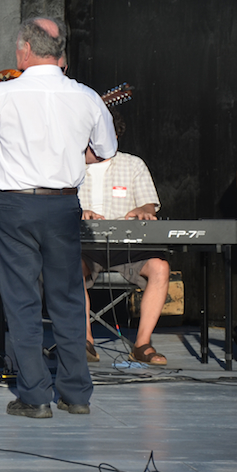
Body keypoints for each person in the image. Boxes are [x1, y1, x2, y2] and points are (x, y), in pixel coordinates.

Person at [0, 17, 117, 418]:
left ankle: (36, 395)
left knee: (22, 302)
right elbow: (106, 149)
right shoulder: (86, 96)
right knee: (68, 299)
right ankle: (76, 394)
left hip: (17, 204)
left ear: (25, 47)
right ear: (60, 51)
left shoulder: (3, 95)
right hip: (63, 204)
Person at [79, 114, 170, 365]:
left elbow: (149, 206)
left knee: (160, 267)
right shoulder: (71, 164)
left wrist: (144, 211)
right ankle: (85, 342)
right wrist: (79, 213)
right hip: (84, 247)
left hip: (128, 248)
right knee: (69, 266)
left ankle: (142, 345)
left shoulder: (133, 164)